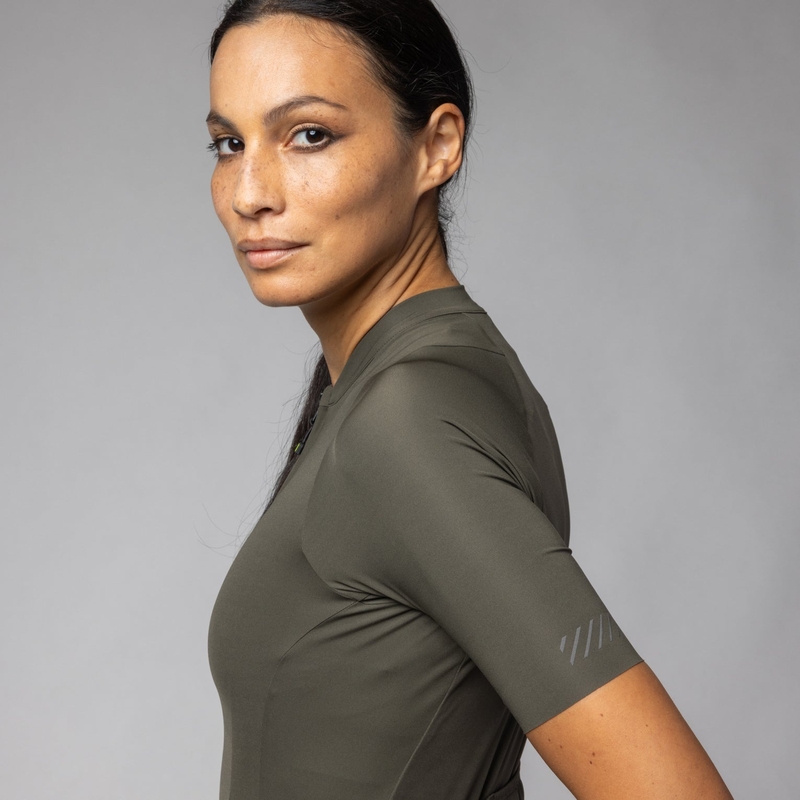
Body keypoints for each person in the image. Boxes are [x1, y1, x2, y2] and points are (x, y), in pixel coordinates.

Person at [204, 1, 734, 798]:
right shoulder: (424, 381)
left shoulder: (406, 419)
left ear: (437, 147)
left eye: (308, 135)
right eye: (229, 143)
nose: (249, 192)